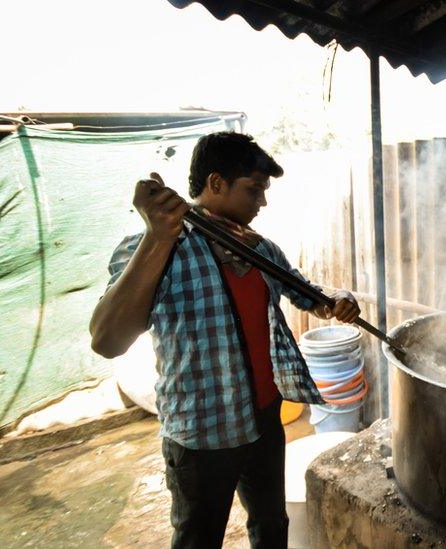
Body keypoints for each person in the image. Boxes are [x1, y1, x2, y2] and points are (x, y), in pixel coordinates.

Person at [89, 132, 360, 548]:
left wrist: (337, 300)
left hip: (265, 420)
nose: (262, 203)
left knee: (272, 527)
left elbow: (310, 295)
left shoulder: (261, 249)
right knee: (199, 538)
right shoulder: (161, 246)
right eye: (254, 190)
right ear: (216, 184)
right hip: (201, 434)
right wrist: (157, 237)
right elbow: (106, 340)